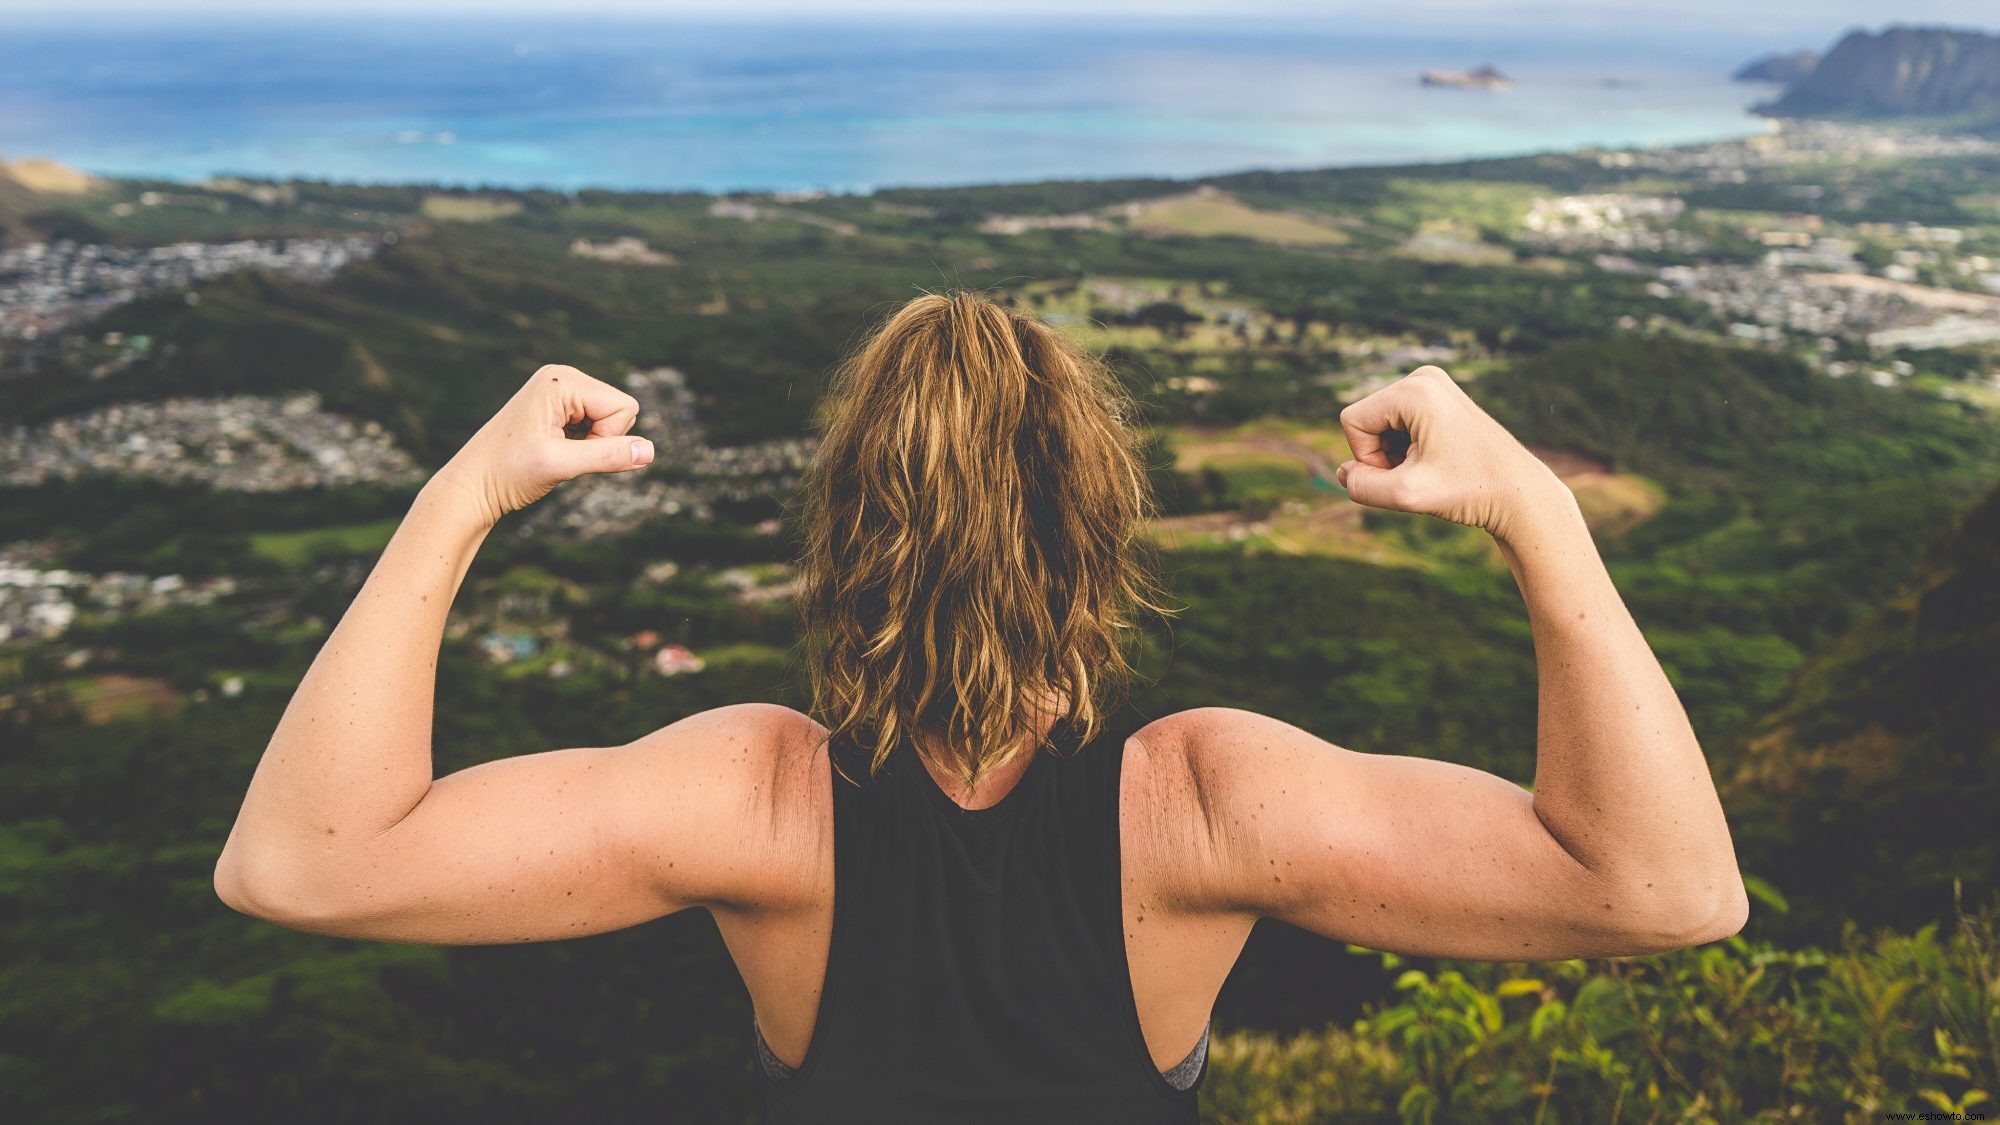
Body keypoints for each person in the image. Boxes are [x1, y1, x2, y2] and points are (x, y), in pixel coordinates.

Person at [214, 290, 1748, 1123]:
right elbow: (1668, 889)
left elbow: (301, 862)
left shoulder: (752, 799)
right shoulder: (1205, 805)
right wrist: (1541, 515)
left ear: (842, 535)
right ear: (1101, 523)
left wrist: (463, 493)